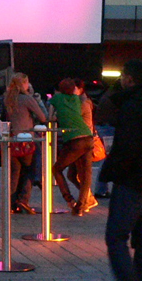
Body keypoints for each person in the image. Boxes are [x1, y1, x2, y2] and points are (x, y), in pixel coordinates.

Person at [99, 60, 142, 281]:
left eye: (122, 76)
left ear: (129, 79)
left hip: (133, 182)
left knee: (116, 236)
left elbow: (126, 147)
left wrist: (114, 174)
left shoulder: (133, 105)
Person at [48, 78, 95, 216]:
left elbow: (49, 117)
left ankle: (69, 199)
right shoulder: (77, 99)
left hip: (74, 139)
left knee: (57, 169)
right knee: (86, 175)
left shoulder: (56, 98)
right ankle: (79, 207)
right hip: (88, 137)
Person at [3, 73, 46, 215]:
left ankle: (11, 203)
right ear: (25, 84)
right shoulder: (27, 99)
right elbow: (43, 117)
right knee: (29, 170)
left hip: (11, 140)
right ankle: (23, 200)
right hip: (26, 140)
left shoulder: (7, 99)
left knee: (15, 173)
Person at [65, 79, 99, 212]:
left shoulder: (83, 103)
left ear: (80, 89)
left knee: (84, 174)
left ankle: (84, 201)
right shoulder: (78, 101)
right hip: (78, 140)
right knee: (72, 174)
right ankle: (88, 198)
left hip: (84, 141)